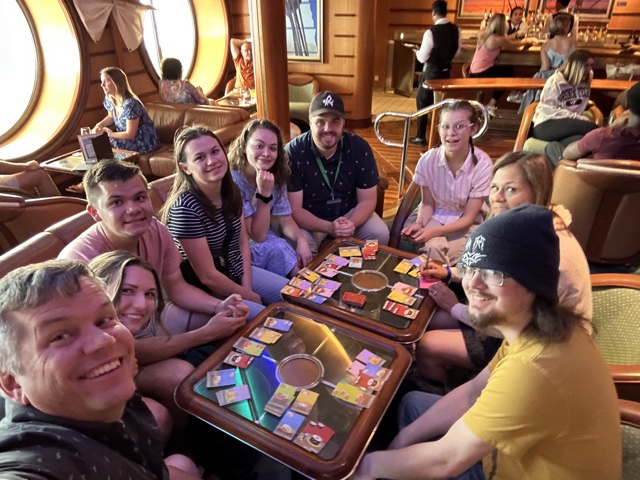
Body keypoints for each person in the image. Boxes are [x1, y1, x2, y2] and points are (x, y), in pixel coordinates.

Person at [353, 204, 621, 480]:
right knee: (412, 405)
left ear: (533, 283)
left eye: (494, 273)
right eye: (470, 269)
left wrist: (368, 467)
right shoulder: (532, 327)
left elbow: (446, 460)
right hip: (508, 455)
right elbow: (473, 392)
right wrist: (402, 439)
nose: (473, 284)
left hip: (506, 472)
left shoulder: (535, 368)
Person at [0, 259, 202, 479]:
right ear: (13, 383)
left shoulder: (108, 388)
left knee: (183, 463)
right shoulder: (33, 461)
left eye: (104, 319)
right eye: (60, 336)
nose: (103, 340)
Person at [416, 152, 592, 386]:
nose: (497, 198)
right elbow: (492, 273)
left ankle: (442, 394)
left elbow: (510, 324)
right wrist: (450, 273)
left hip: (538, 343)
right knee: (432, 320)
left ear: (537, 192)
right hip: (515, 319)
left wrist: (455, 307)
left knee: (427, 345)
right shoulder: (530, 225)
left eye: (510, 189)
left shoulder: (546, 253)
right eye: (494, 187)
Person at [58, 159, 250, 336]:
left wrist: (219, 306)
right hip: (115, 342)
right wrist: (204, 334)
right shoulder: (80, 263)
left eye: (140, 197)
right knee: (183, 364)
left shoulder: (156, 230)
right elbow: (110, 342)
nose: (133, 209)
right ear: (95, 212)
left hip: (154, 315)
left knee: (239, 319)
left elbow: (177, 287)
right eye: (117, 202)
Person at [90, 250, 246, 437]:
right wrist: (205, 333)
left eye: (149, 294)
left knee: (232, 325)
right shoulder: (88, 326)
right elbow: (133, 350)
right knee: (176, 377)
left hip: (131, 365)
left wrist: (223, 309)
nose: (141, 304)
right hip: (101, 388)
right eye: (127, 290)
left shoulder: (149, 315)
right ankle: (182, 441)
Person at [162, 125, 288, 310]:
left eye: (215, 151)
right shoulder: (185, 210)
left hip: (236, 272)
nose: (211, 161)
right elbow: (208, 277)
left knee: (294, 295)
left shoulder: (231, 191)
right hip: (208, 289)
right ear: (186, 168)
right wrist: (248, 296)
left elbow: (243, 244)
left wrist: (247, 289)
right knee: (264, 316)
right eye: (200, 157)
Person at [285, 91, 390, 254]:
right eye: (320, 122)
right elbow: (295, 209)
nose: (328, 129)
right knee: (296, 247)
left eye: (335, 121)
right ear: (310, 122)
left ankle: (359, 270)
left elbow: (368, 200)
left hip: (349, 212)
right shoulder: (294, 152)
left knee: (380, 233)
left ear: (343, 123)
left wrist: (351, 223)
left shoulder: (359, 147)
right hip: (310, 218)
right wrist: (329, 227)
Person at [401, 101, 492, 265]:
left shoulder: (483, 164)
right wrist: (420, 224)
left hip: (465, 221)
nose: (451, 133)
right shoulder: (428, 160)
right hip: (433, 213)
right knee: (431, 248)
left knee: (433, 250)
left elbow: (468, 217)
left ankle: (430, 276)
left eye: (459, 126)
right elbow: (427, 203)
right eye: (445, 126)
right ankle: (438, 277)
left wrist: (433, 232)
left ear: (473, 129)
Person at [228, 119, 312, 277]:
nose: (266, 153)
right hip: (242, 247)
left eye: (273, 148)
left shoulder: (276, 175)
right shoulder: (233, 181)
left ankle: (312, 287)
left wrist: (301, 240)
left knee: (300, 262)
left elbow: (285, 218)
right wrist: (264, 194)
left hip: (269, 241)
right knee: (280, 249)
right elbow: (257, 236)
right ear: (244, 147)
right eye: (259, 146)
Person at [532, 49, 598, 164]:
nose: (589, 69)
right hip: (546, 123)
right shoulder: (555, 81)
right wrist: (577, 118)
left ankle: (557, 159)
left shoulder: (588, 77)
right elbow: (549, 110)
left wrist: (577, 117)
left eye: (591, 65)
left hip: (567, 127)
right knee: (592, 129)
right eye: (586, 65)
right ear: (576, 66)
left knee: (579, 140)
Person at [409, 1, 461, 146]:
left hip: (432, 73)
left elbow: (422, 57)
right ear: (446, 12)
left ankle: (421, 136)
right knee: (441, 106)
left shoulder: (431, 32)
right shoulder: (456, 30)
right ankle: (439, 139)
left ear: (433, 12)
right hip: (446, 73)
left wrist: (417, 51)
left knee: (423, 103)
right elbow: (457, 52)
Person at [563, 80, 640, 161]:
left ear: (627, 104)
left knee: (554, 146)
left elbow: (567, 154)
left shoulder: (601, 136)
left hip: (585, 168)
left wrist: (610, 128)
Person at [469, 14, 528, 118]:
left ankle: (510, 95)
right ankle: (508, 97)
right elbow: (514, 46)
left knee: (505, 71)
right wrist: (526, 41)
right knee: (506, 75)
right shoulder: (498, 39)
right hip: (482, 73)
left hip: (474, 70)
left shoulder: (484, 34)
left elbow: (505, 41)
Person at [93, 67, 160, 154]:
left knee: (106, 143)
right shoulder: (109, 99)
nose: (102, 85)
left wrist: (109, 134)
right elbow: (110, 117)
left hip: (143, 141)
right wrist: (99, 125)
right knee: (98, 142)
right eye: (102, 81)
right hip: (124, 138)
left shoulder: (130, 104)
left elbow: (130, 134)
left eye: (106, 81)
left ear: (117, 82)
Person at [518, 14, 575, 113]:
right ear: (566, 26)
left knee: (537, 81)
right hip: (566, 78)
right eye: (569, 25)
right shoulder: (573, 43)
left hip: (549, 79)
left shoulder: (547, 45)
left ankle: (532, 112)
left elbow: (545, 67)